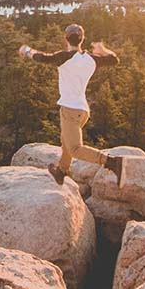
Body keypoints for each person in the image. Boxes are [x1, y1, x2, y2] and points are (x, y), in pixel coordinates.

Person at [18, 23, 126, 187]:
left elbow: (42, 57)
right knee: (65, 141)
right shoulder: (91, 59)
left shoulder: (65, 57)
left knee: (75, 148)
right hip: (82, 110)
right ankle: (61, 171)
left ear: (65, 39)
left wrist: (26, 51)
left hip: (70, 109)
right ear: (82, 39)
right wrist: (102, 48)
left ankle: (112, 162)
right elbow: (114, 59)